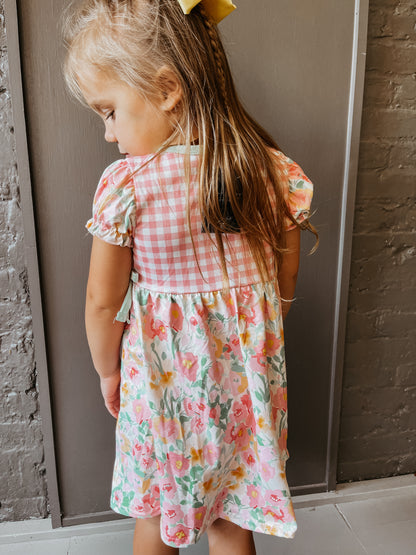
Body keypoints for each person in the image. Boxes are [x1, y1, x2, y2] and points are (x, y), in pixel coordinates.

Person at [63, 1, 318, 554]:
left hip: (160, 389)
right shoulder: (270, 170)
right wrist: (257, 332)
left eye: (109, 112)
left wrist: (109, 372)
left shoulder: (128, 186)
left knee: (157, 511)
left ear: (167, 89)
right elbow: (283, 275)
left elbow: (101, 305)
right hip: (242, 386)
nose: (108, 134)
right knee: (230, 516)